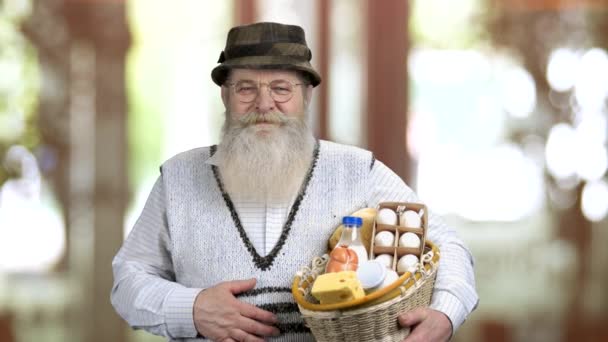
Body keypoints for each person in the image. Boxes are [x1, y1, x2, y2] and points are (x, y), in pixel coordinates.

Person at [111, 21, 478, 342]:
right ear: (225, 96)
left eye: (281, 88)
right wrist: (192, 309)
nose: (264, 103)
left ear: (306, 95)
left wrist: (445, 313)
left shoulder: (357, 170)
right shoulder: (178, 179)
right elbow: (127, 282)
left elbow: (447, 245)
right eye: (246, 89)